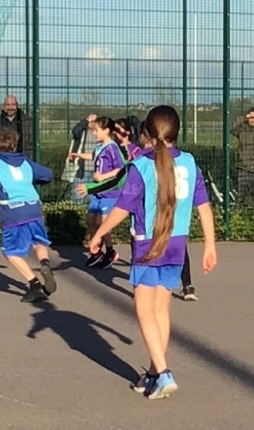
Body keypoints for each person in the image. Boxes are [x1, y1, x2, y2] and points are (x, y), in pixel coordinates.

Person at [88, 105, 219, 400]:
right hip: (177, 243)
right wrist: (210, 245)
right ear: (177, 132)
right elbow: (204, 206)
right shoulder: (189, 162)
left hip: (148, 244)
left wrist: (97, 234)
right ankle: (153, 371)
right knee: (161, 310)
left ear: (145, 132)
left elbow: (123, 207)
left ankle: (163, 372)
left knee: (144, 310)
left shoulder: (141, 166)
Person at [0, 126, 57, 302]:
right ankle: (45, 263)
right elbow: (47, 175)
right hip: (34, 208)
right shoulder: (26, 162)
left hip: (13, 212)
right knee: (39, 241)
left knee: (11, 252)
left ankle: (35, 285)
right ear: (15, 145)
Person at [81, 117, 126, 270]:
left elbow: (121, 168)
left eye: (96, 130)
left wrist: (103, 176)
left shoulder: (112, 148)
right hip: (98, 191)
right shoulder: (100, 146)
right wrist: (77, 155)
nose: (94, 133)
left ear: (107, 130)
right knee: (90, 221)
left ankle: (110, 251)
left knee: (103, 224)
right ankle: (97, 251)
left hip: (110, 192)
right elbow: (93, 156)